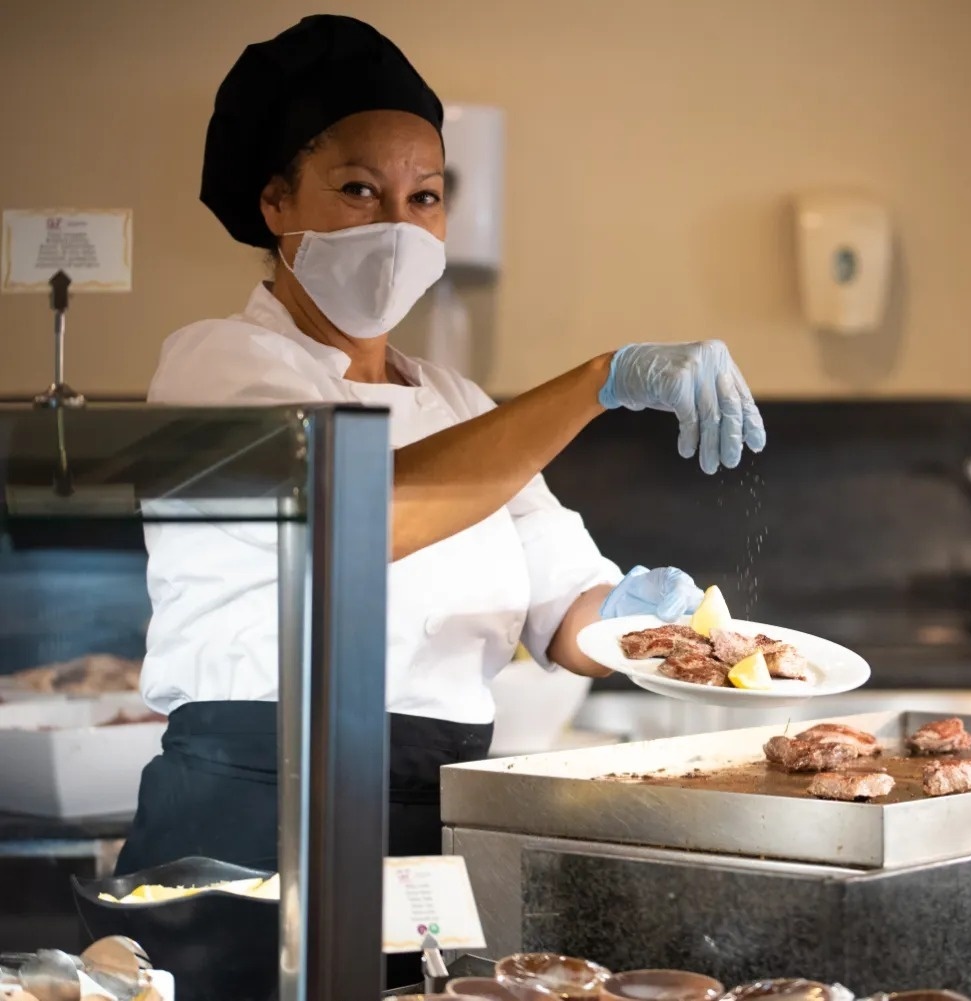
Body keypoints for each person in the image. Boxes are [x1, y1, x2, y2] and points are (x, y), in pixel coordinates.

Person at [116, 14, 765, 876]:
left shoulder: (460, 404)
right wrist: (598, 380)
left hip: (440, 811)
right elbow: (366, 514)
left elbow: (564, 616)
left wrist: (632, 622)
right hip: (255, 802)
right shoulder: (215, 363)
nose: (396, 223)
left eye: (424, 197)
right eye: (359, 189)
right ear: (276, 203)